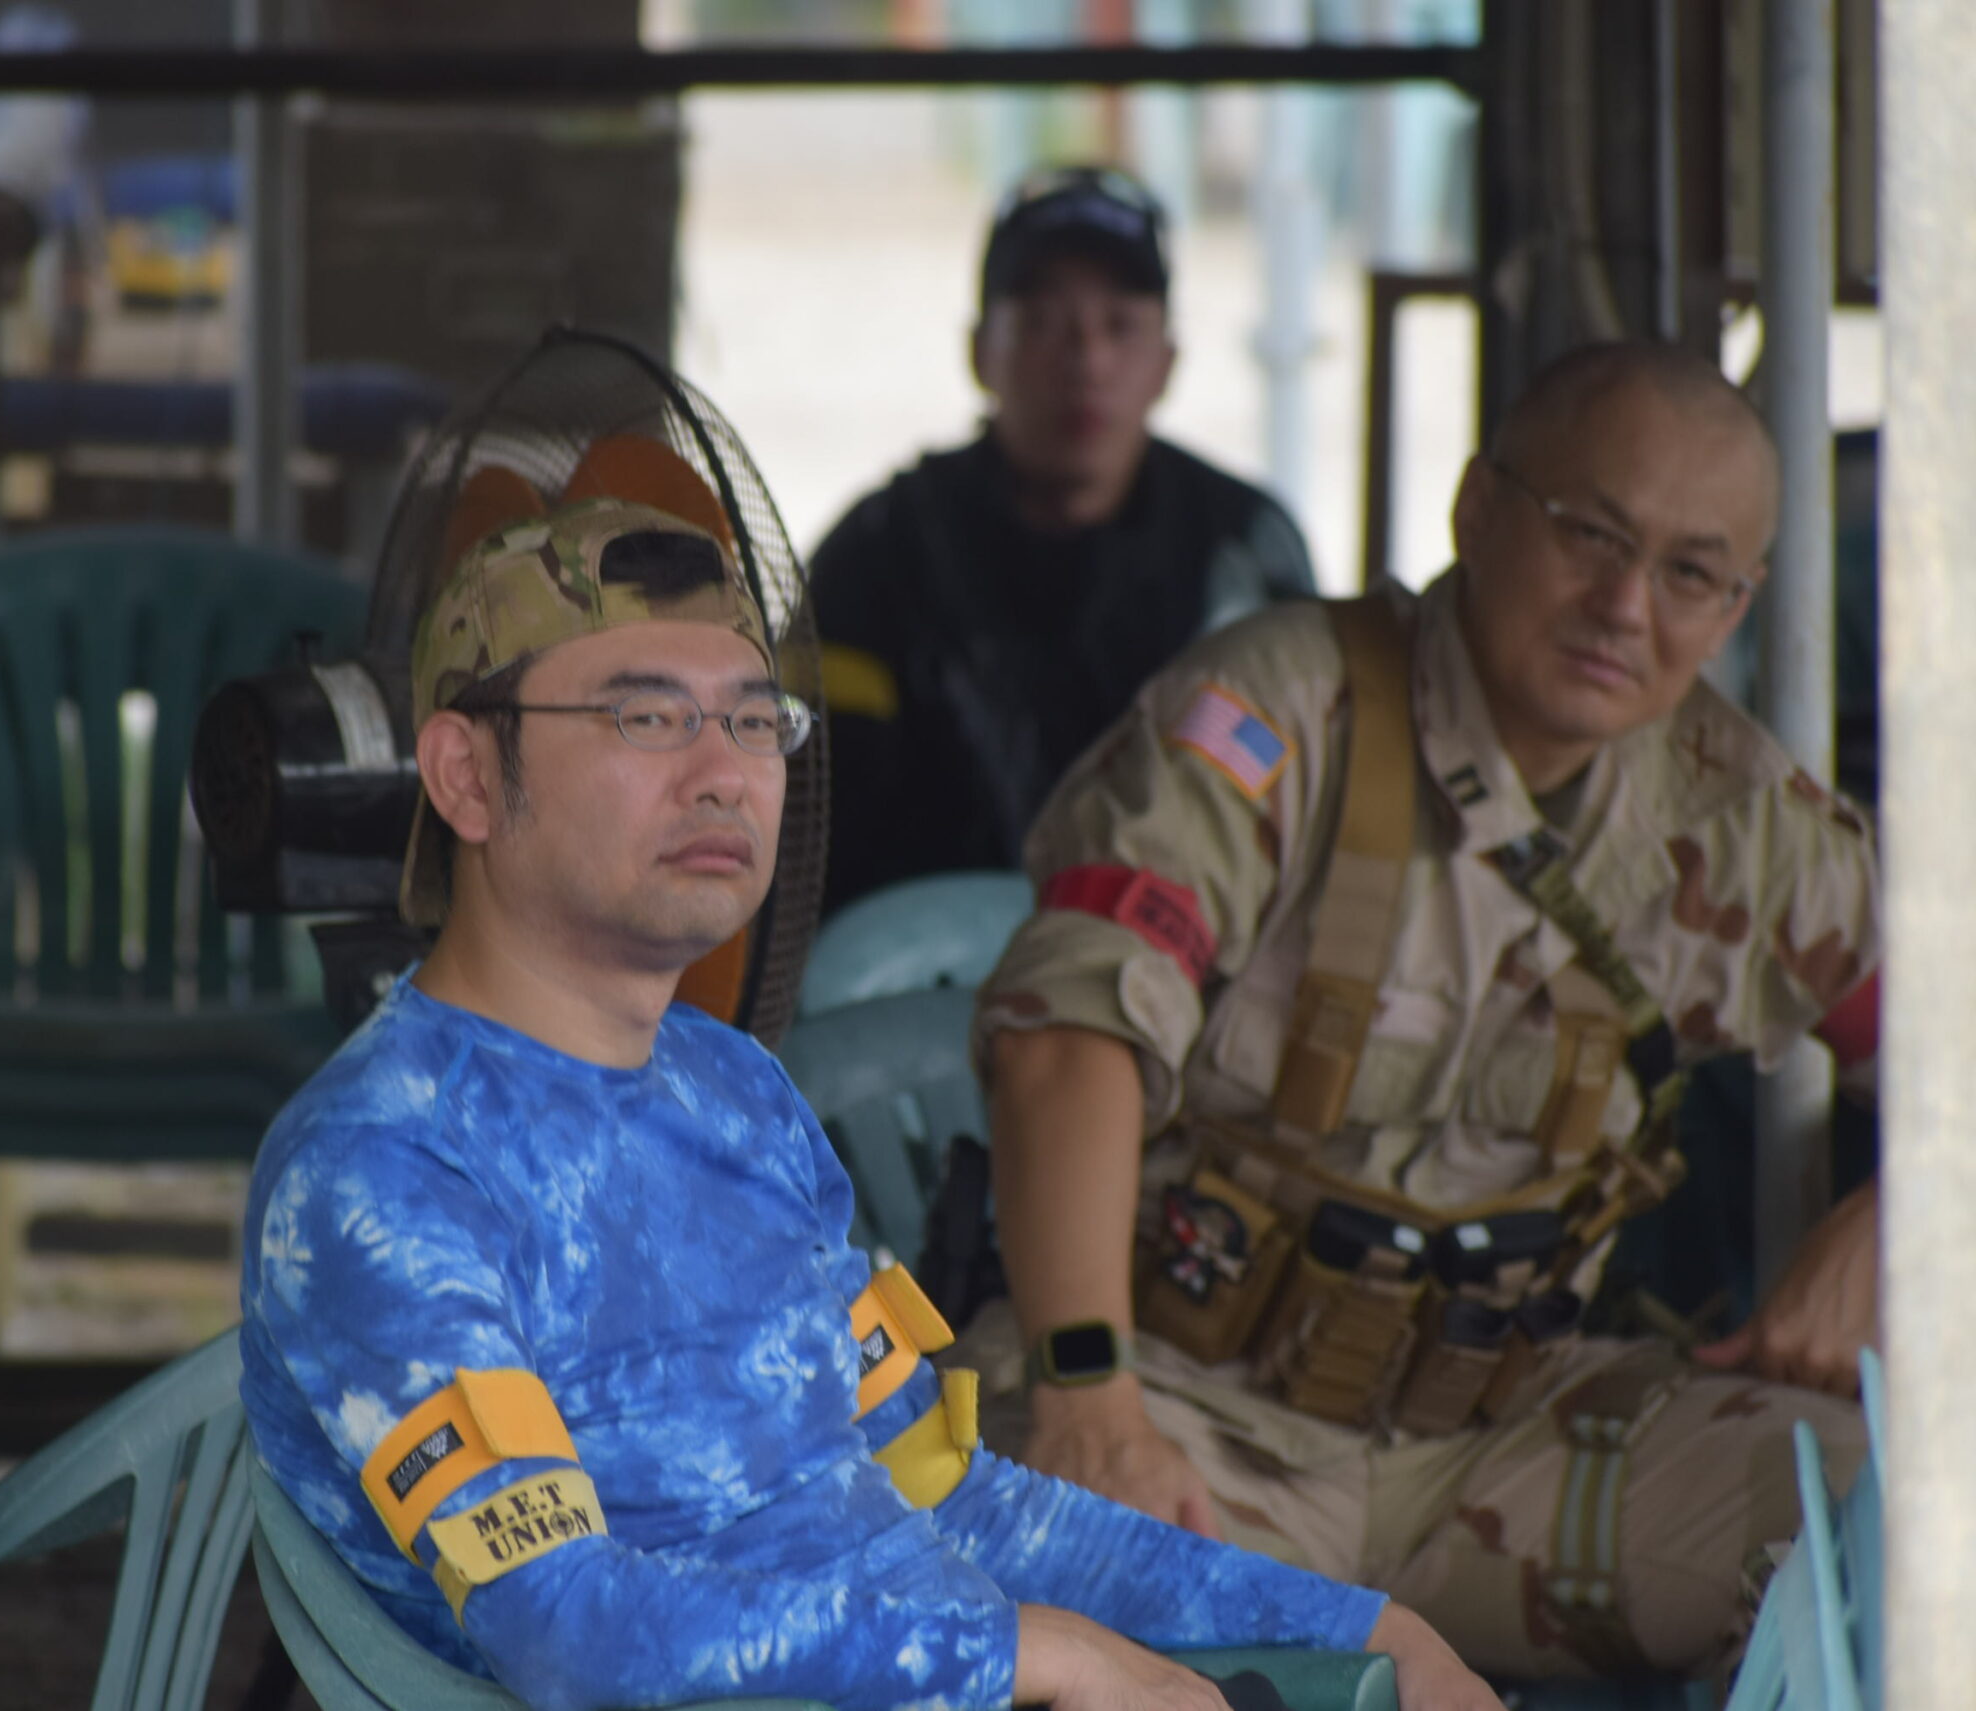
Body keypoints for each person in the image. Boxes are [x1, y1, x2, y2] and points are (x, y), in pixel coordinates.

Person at [238, 478, 1502, 1711]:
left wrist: (1365, 1625)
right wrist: (1019, 1658)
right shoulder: (382, 1168)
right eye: (645, 716)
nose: (724, 773)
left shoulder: (731, 1089)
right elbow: (568, 1629)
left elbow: (945, 1491)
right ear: (464, 774)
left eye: (754, 721)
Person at [968, 341, 1881, 1682]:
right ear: (1476, 508)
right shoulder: (1284, 711)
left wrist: (1896, 1213)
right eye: (1589, 534)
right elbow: (1068, 1035)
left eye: (1690, 573)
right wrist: (1086, 1383)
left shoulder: (1737, 817)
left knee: (1902, 1518)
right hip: (1185, 1406)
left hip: (1508, 1443)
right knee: (1009, 1594)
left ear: (1738, 603)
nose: (1624, 605)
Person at [810, 165, 1317, 911]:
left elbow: (1299, 803)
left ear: (1167, 361)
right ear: (980, 352)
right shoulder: (879, 554)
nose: (1087, 361)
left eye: (1120, 325)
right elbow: (818, 826)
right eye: (1044, 323)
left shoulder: (1243, 551)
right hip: (924, 957)